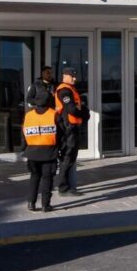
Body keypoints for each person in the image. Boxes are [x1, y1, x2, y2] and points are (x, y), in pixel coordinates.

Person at [22, 89, 59, 212]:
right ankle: (45, 205)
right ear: (49, 100)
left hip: (32, 152)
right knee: (47, 178)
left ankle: (31, 203)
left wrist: (24, 149)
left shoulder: (28, 115)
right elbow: (62, 134)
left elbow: (23, 134)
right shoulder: (54, 114)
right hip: (49, 152)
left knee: (34, 177)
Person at [54, 66, 89, 196]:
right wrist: (84, 113)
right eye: (72, 76)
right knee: (67, 157)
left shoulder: (70, 89)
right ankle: (63, 188)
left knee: (70, 157)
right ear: (65, 76)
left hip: (72, 127)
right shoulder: (64, 90)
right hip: (67, 128)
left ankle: (68, 186)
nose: (75, 78)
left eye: (75, 76)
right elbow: (72, 109)